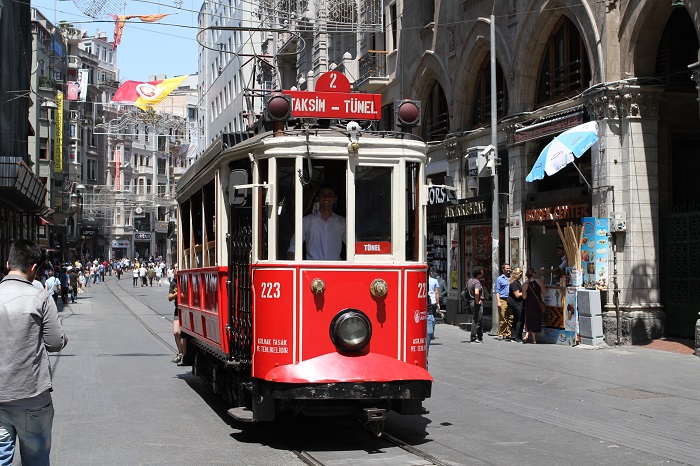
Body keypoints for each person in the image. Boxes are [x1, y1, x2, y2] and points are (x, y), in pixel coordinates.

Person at [0, 239, 68, 465]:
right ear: (33, 268)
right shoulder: (40, 297)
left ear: (8, 262)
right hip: (33, 398)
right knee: (36, 460)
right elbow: (56, 342)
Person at [287, 186, 346, 260]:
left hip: (335, 269)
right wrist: (291, 266)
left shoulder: (342, 222)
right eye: (323, 194)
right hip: (312, 269)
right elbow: (293, 246)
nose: (326, 197)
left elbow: (353, 246)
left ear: (335, 200)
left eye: (330, 194)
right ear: (317, 199)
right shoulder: (306, 221)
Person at [522, 268, 545, 344]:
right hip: (537, 303)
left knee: (529, 320)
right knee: (535, 319)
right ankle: (533, 339)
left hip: (529, 304)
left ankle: (529, 336)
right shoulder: (539, 281)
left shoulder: (525, 284)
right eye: (535, 272)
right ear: (532, 274)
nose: (536, 274)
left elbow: (524, 297)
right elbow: (544, 292)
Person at [168, 265, 185, 365]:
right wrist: (177, 294)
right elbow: (169, 297)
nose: (175, 270)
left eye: (177, 268)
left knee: (185, 335)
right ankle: (180, 352)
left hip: (186, 311)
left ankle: (183, 354)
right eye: (174, 268)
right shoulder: (173, 283)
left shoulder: (185, 280)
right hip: (177, 310)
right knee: (176, 332)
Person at [464, 266, 485, 343]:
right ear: (478, 274)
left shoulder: (470, 281)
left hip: (470, 302)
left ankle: (480, 336)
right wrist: (477, 301)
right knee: (477, 320)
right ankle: (473, 337)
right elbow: (476, 292)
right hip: (475, 302)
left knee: (479, 319)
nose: (482, 275)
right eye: (481, 273)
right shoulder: (477, 282)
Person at [495, 263, 513, 340]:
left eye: (509, 268)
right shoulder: (499, 279)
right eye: (507, 268)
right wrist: (498, 301)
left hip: (511, 299)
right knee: (503, 317)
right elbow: (497, 291)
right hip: (503, 299)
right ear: (503, 269)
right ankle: (501, 333)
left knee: (511, 317)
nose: (508, 270)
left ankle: (508, 333)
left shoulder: (512, 278)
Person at [506, 267, 524, 343]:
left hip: (514, 302)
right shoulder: (514, 283)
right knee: (520, 319)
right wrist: (525, 292)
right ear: (517, 275)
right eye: (520, 275)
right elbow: (517, 294)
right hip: (516, 303)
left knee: (516, 319)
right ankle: (517, 337)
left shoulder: (515, 282)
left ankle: (513, 336)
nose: (521, 277)